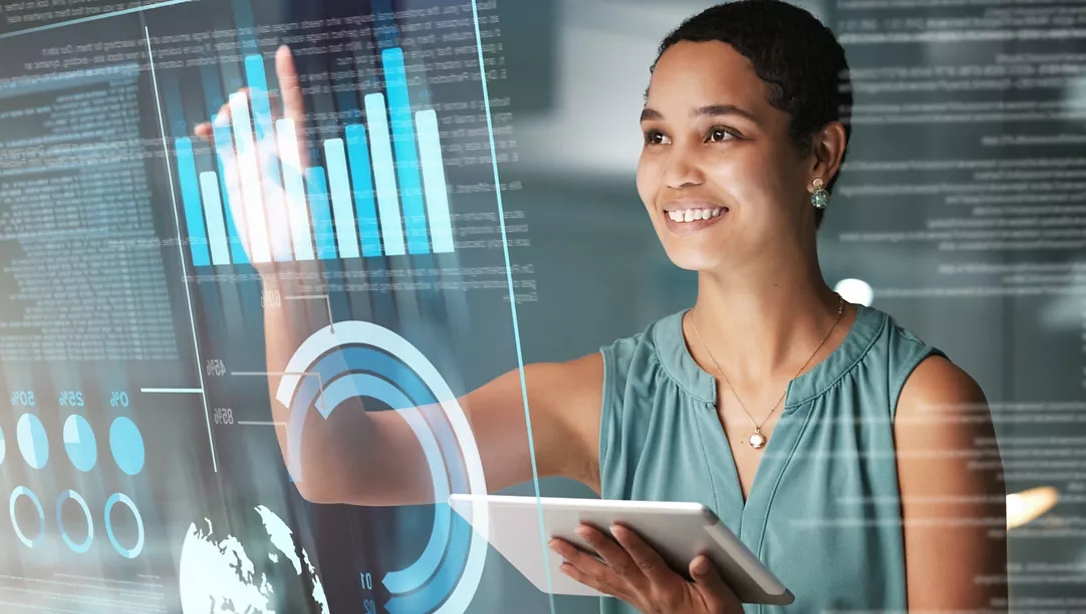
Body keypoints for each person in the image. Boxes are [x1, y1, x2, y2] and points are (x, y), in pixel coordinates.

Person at [197, 1, 1006, 612]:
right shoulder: (602, 397)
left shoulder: (922, 408)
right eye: (657, 137)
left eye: (718, 135)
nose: (676, 171)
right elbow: (339, 462)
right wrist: (287, 275)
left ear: (818, 154)